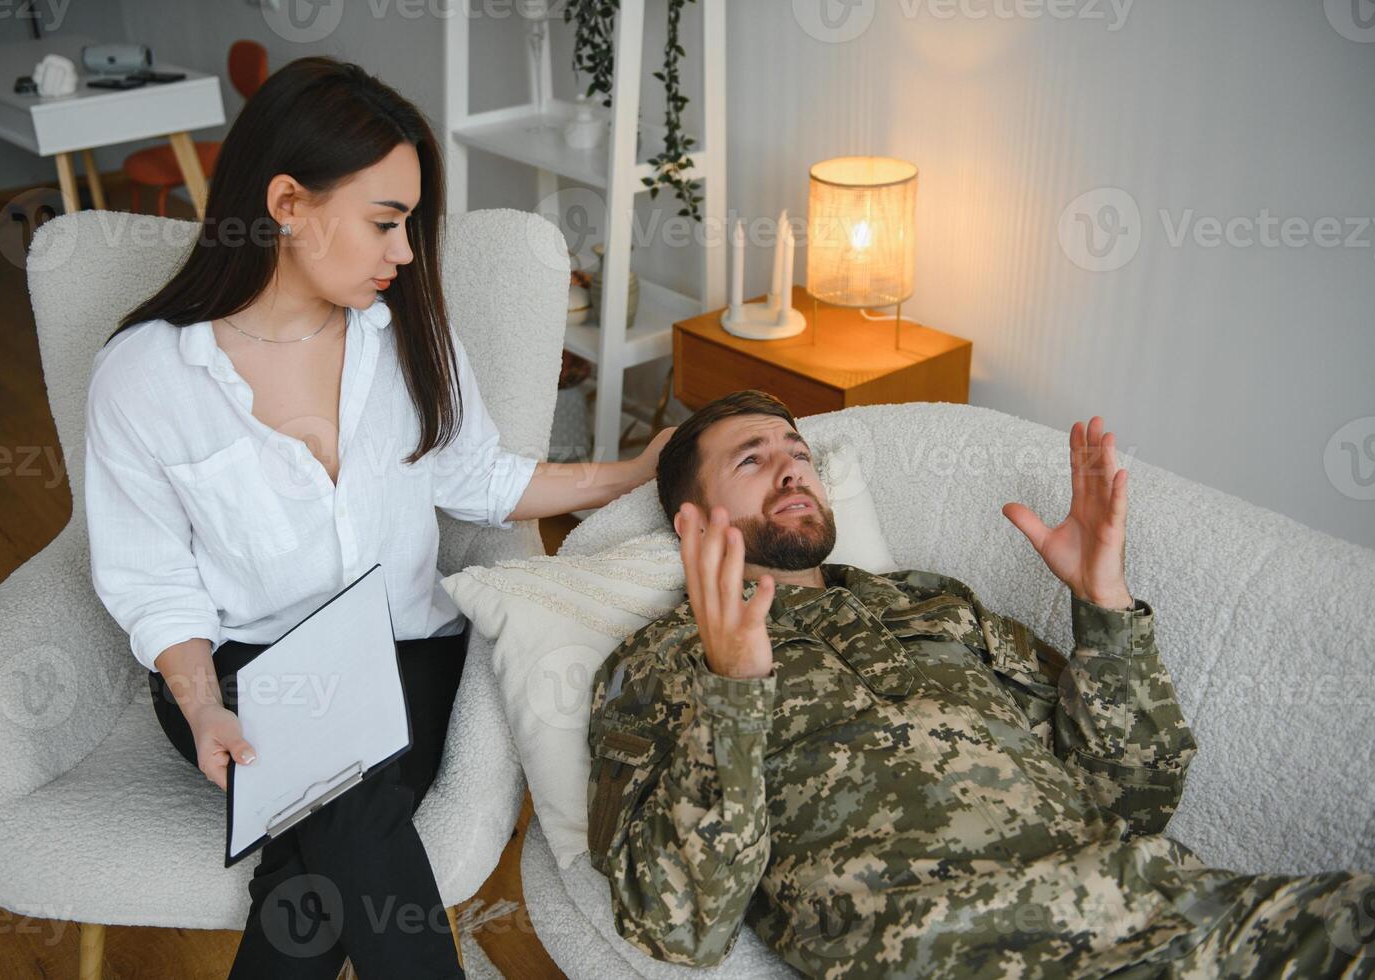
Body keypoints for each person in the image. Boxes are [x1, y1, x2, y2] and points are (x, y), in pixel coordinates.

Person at [83, 56, 673, 979]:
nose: (404, 254)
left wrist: (627, 472)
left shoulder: (405, 334)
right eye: (386, 224)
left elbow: (479, 476)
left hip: (403, 655)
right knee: (350, 810)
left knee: (330, 817)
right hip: (239, 665)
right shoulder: (146, 375)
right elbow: (152, 580)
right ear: (286, 202)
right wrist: (201, 710)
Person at [586, 389, 1375, 979]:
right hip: (968, 951)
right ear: (691, 522)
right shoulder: (657, 661)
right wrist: (733, 692)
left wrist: (1103, 607)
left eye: (799, 452)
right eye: (752, 459)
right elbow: (681, 923)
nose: (793, 467)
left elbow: (1131, 799)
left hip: (1166, 910)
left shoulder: (932, 600)